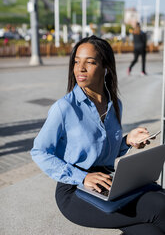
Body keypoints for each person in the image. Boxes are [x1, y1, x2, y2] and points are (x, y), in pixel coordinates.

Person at [31, 35, 165, 235]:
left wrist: (127, 141)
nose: (80, 68)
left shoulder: (115, 105)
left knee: (152, 222)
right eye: (77, 61)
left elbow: (102, 152)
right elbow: (40, 151)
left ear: (106, 67)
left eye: (90, 62)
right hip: (75, 190)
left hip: (109, 181)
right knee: (159, 207)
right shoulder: (64, 108)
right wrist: (83, 177)